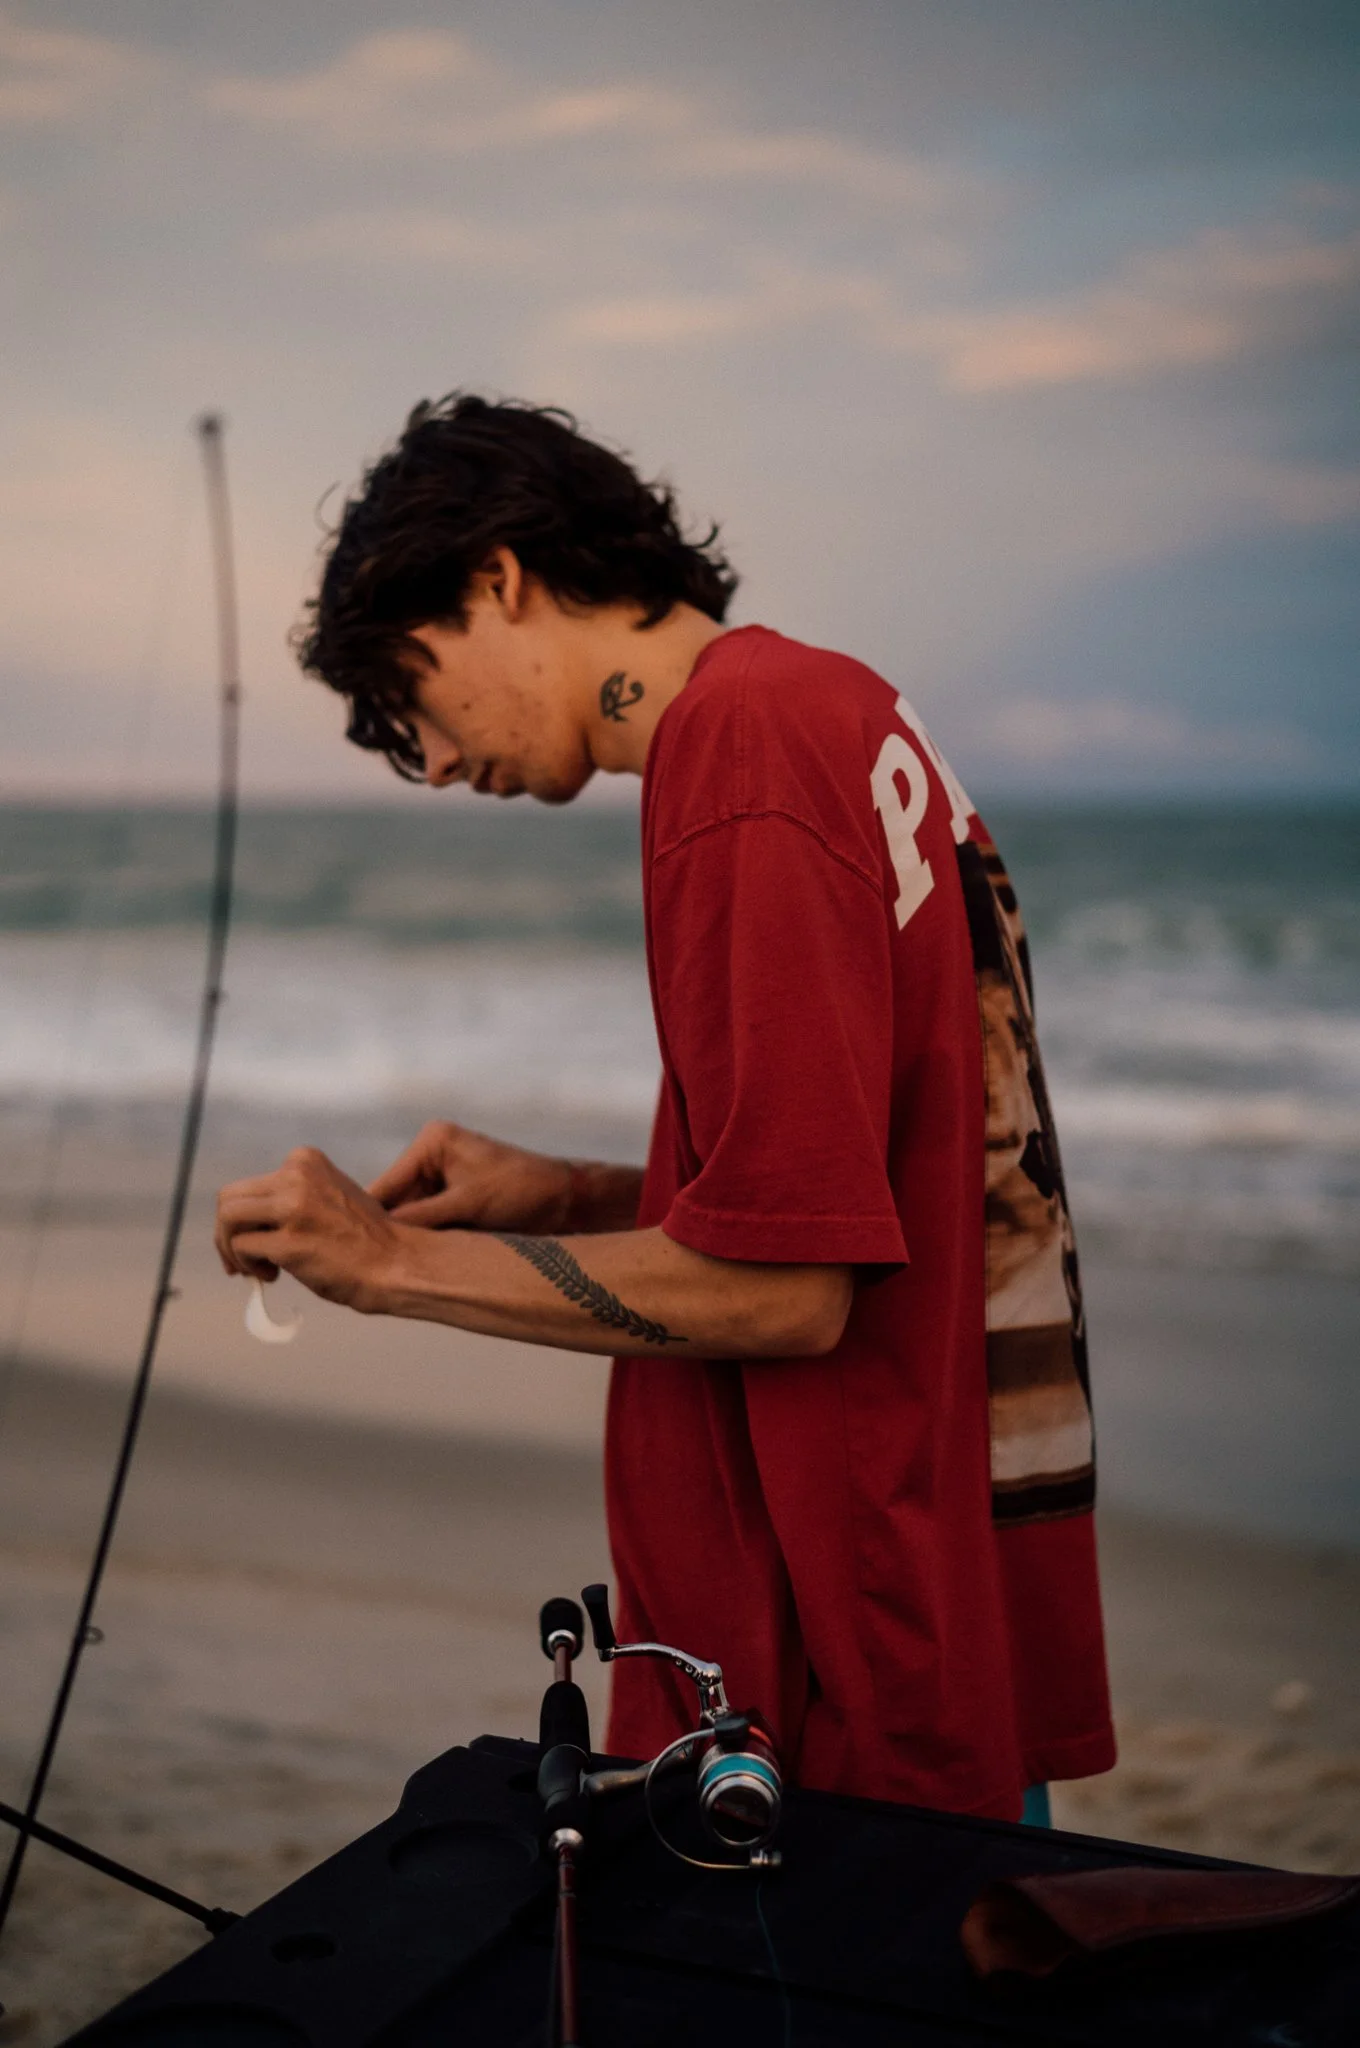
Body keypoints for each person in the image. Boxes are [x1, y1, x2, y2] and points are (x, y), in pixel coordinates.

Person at [215, 394, 1115, 1821]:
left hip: (844, 1663)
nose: (437, 762)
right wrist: (577, 1194)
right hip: (923, 1596)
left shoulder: (740, 762)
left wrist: (393, 1265)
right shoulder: (840, 710)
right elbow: (877, 1200)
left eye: (413, 691)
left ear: (497, 579)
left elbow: (788, 1291)